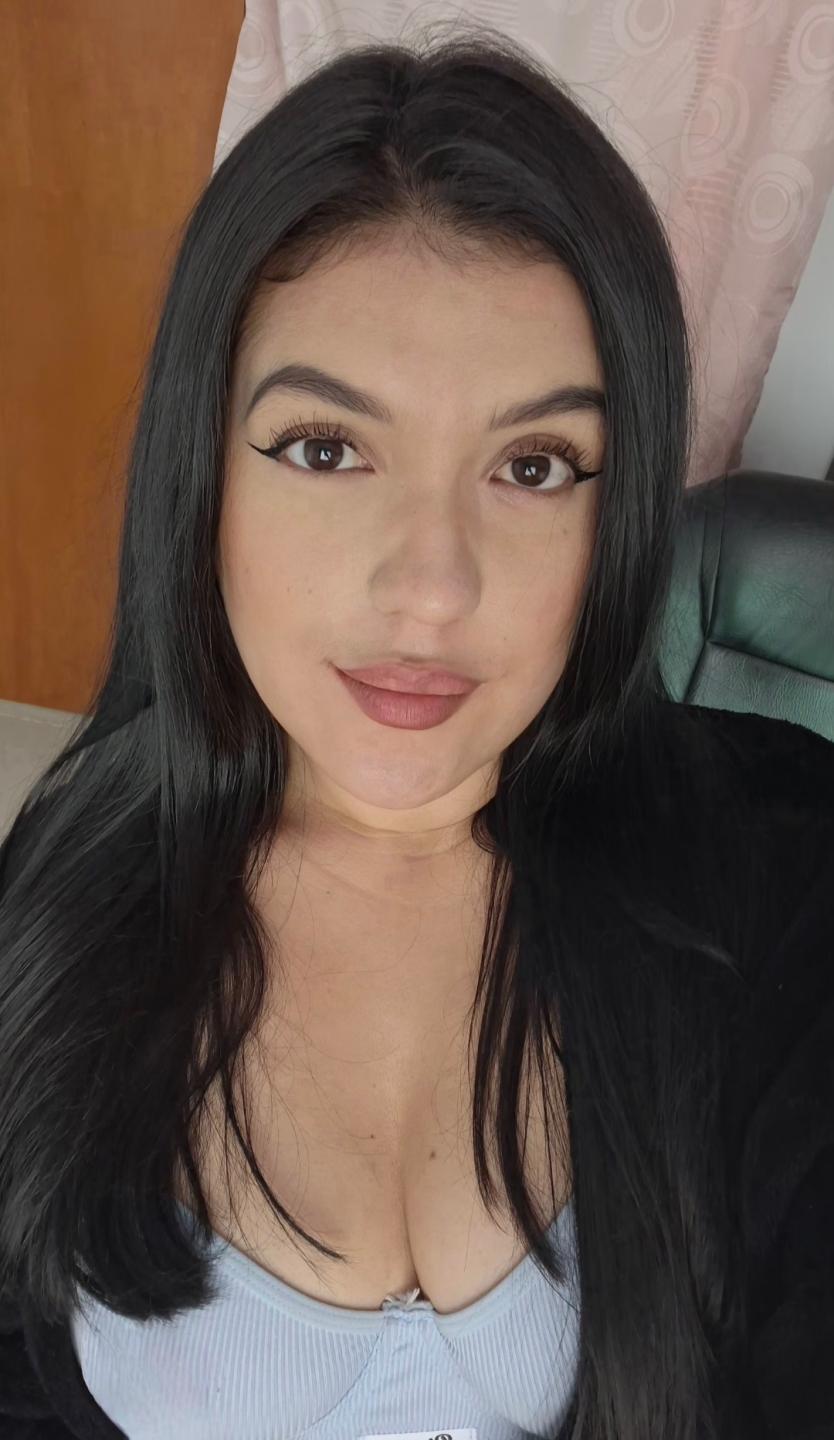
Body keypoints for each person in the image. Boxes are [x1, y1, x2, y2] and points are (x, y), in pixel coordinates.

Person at [0, 22, 832, 1440]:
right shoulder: (65, 876)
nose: (432, 587)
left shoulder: (786, 869)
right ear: (202, 478)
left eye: (535, 465)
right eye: (327, 449)